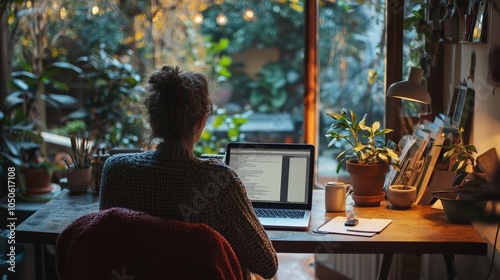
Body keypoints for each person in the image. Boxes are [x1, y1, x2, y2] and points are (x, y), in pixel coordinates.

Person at [99, 65, 278, 279]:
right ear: (201, 122)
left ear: (153, 121)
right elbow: (267, 264)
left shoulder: (116, 171)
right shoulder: (219, 181)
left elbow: (107, 245)